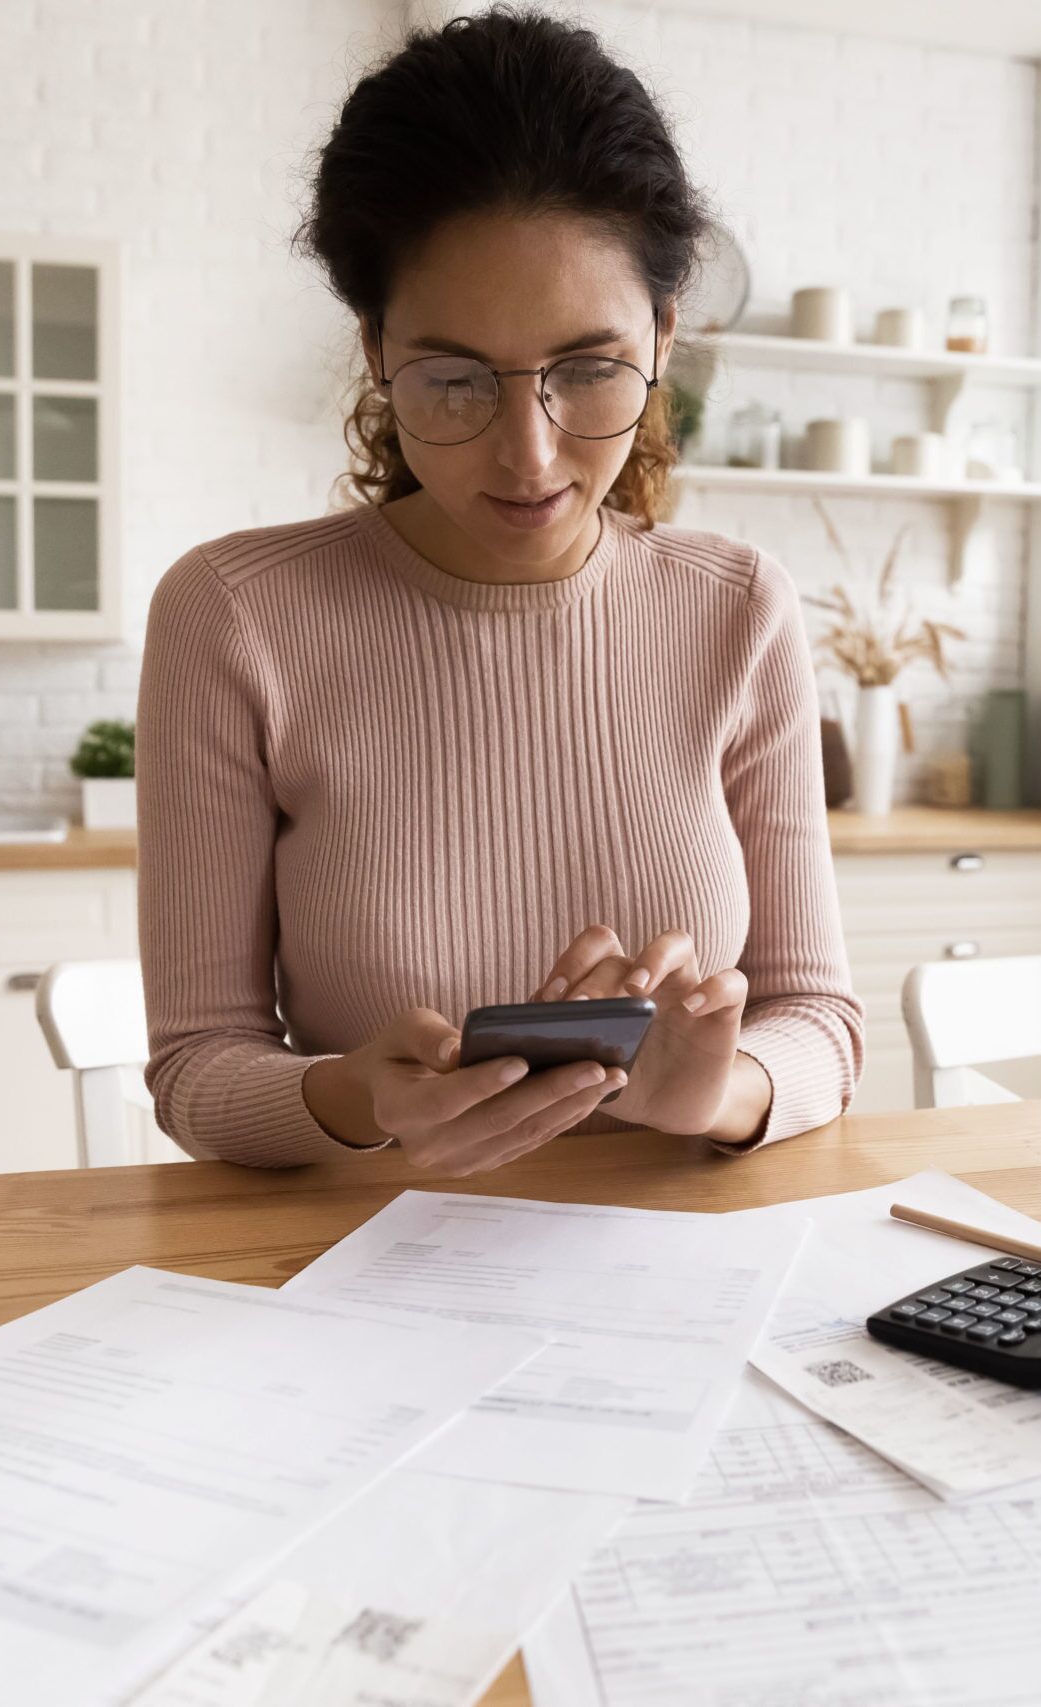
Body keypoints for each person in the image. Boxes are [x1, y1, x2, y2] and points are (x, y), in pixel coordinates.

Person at [136, 7, 864, 1176]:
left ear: (665, 336)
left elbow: (819, 1024)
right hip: (358, 1278)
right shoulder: (234, 615)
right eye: (453, 378)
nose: (529, 455)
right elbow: (196, 1070)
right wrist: (348, 1099)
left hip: (685, 1269)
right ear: (375, 348)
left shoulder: (737, 610)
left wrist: (721, 1090)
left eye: (588, 369)